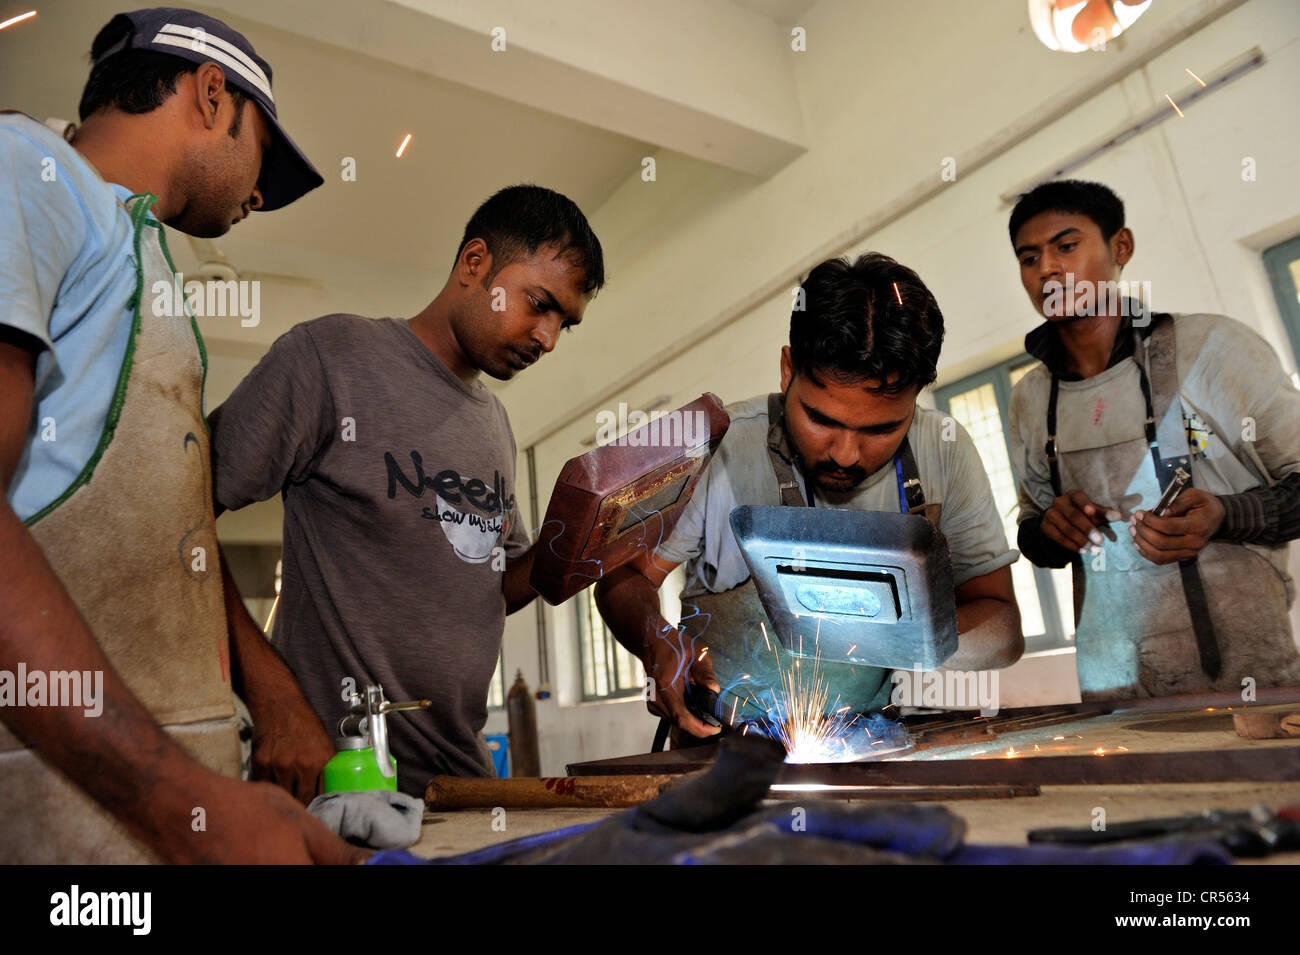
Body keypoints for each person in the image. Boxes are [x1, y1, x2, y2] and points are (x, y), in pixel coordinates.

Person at [0, 8, 364, 862]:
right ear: (211, 93)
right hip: (53, 810)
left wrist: (267, 689)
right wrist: (185, 801)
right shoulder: (28, 171)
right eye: (263, 161)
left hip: (157, 811)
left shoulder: (144, 261)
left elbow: (172, 538)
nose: (256, 196)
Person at [208, 185, 605, 796]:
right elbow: (176, 516)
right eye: (538, 303)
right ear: (476, 265)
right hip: (331, 776)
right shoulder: (331, 359)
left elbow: (492, 584)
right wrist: (272, 700)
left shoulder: (494, 425)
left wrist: (585, 543)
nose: (547, 338)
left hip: (457, 783)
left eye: (564, 324)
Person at [596, 253, 1024, 740]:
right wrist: (655, 642)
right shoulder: (723, 451)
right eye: (821, 421)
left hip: (873, 745)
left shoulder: (942, 452)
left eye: (881, 430)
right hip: (721, 750)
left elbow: (1003, 628)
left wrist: (896, 639)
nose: (845, 454)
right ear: (786, 369)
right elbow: (623, 578)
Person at [1007, 179, 1300, 699]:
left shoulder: (1211, 348)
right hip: (1113, 693)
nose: (1048, 268)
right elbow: (1034, 533)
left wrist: (1225, 515)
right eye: (1029, 258)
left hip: (1250, 681)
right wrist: (1051, 531)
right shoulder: (1030, 399)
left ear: (1120, 248)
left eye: (1066, 246)